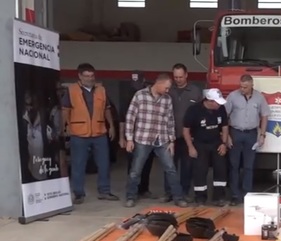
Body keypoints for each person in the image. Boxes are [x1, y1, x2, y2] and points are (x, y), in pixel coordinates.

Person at [124, 73, 188, 208]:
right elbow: (130, 117)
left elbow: (170, 120)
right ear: (158, 84)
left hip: (162, 139)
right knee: (136, 170)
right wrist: (129, 138)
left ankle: (178, 197)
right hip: (143, 138)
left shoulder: (167, 99)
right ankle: (131, 196)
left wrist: (171, 140)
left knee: (171, 168)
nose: (167, 90)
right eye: (166, 88)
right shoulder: (140, 95)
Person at [61, 63, 118, 204]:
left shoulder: (101, 90)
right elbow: (65, 110)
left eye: (92, 76)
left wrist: (111, 126)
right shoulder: (71, 90)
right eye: (86, 76)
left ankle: (104, 191)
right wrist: (64, 126)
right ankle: (79, 194)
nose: (90, 78)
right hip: (79, 133)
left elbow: (107, 109)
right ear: (79, 76)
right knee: (78, 164)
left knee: (104, 163)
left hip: (99, 132)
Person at [224, 74, 270, 206]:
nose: (242, 89)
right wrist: (227, 136)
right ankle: (235, 195)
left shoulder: (259, 97)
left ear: (251, 85)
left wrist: (262, 135)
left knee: (249, 166)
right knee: (234, 166)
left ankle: (247, 194)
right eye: (241, 86)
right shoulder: (232, 96)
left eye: (245, 87)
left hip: (251, 134)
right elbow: (224, 116)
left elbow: (265, 115)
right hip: (235, 132)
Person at [163, 63, 203, 203]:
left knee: (187, 166)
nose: (178, 79)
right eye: (175, 77)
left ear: (186, 75)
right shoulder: (168, 90)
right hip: (170, 136)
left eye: (180, 76)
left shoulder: (196, 91)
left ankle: (184, 192)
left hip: (189, 137)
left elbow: (201, 113)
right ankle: (169, 192)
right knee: (169, 165)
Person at [183, 88, 229, 206]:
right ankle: (200, 198)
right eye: (217, 102)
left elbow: (224, 127)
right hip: (200, 145)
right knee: (200, 171)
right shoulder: (194, 110)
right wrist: (190, 147)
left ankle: (219, 197)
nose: (219, 105)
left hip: (217, 144)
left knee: (221, 169)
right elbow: (186, 130)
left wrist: (224, 144)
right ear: (210, 101)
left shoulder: (221, 109)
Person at [119, 71, 156, 199]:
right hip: (132, 137)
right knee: (133, 167)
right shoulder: (127, 96)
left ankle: (144, 189)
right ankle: (132, 192)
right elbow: (122, 119)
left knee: (147, 164)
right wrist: (122, 138)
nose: (136, 87)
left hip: (148, 136)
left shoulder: (150, 94)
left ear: (144, 81)